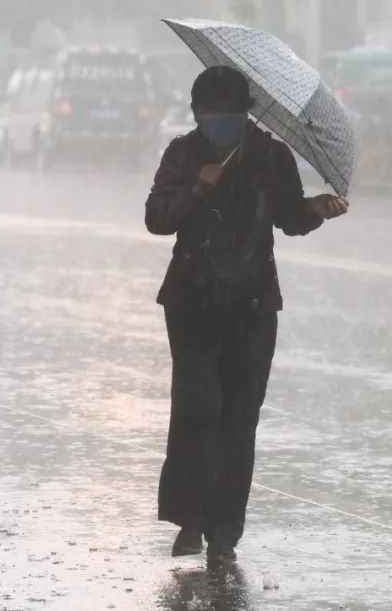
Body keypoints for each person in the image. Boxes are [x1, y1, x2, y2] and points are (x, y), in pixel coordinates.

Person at [145, 66, 348, 564]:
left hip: (253, 306)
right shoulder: (182, 154)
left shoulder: (271, 156)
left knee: (239, 416)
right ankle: (190, 519)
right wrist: (195, 189)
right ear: (196, 114)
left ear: (247, 112)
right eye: (212, 115)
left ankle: (223, 532)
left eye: (232, 114)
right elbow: (156, 218)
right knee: (197, 408)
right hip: (193, 303)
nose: (222, 124)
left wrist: (318, 209)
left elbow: (290, 218)